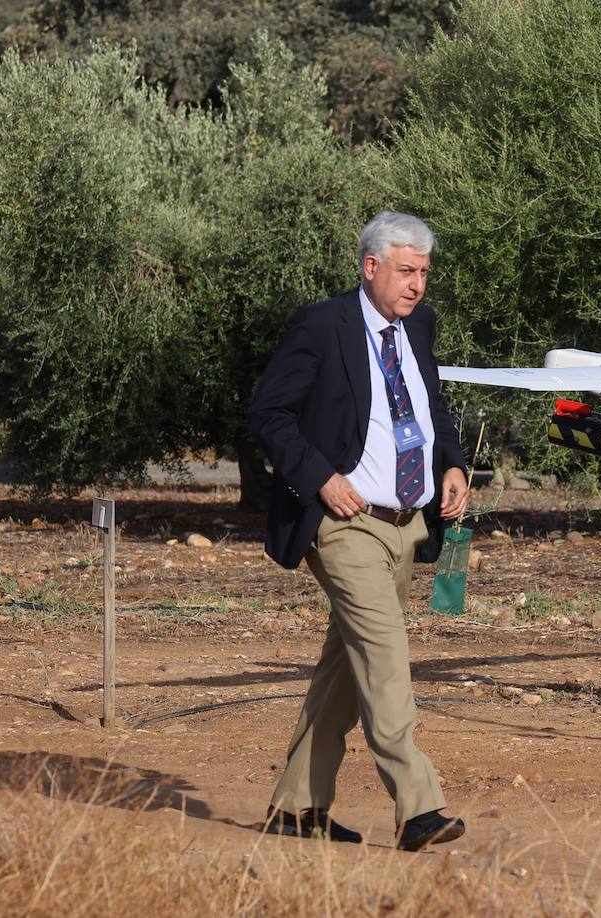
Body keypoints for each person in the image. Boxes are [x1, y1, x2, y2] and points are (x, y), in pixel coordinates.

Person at [248, 211, 470, 851]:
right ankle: (419, 806)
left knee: (347, 668)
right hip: (345, 525)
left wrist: (451, 463)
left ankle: (297, 805)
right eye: (407, 271)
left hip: (406, 526)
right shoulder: (322, 326)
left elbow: (432, 406)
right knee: (385, 658)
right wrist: (319, 476)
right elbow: (269, 412)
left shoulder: (418, 327)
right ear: (370, 266)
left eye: (425, 273)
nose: (417, 285)